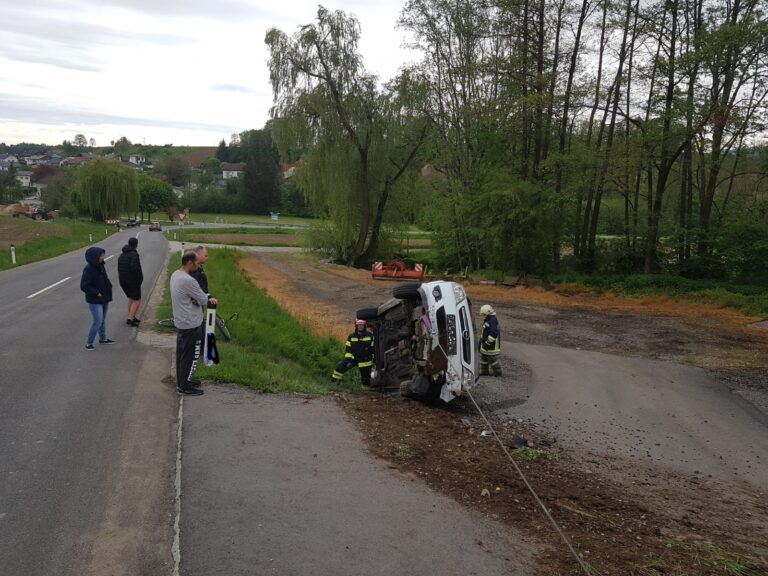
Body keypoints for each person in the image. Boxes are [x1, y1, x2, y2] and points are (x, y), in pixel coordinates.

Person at [170, 252, 218, 396]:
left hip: (181, 320)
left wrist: (195, 298)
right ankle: (184, 387)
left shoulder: (175, 275)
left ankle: (183, 381)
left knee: (181, 354)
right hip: (191, 322)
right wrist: (210, 299)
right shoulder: (188, 280)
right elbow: (203, 299)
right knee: (190, 356)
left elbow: (190, 296)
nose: (199, 266)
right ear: (190, 263)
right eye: (197, 263)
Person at [80, 246, 114, 350]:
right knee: (98, 321)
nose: (103, 257)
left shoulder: (101, 266)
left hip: (104, 297)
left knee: (102, 320)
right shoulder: (88, 269)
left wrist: (109, 286)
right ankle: (89, 343)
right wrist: (96, 293)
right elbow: (84, 285)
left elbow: (105, 278)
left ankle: (103, 339)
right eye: (101, 256)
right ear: (94, 257)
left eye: (103, 255)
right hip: (95, 300)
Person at [331, 319, 375, 386]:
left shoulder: (370, 335)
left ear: (365, 326)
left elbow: (373, 349)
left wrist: (374, 360)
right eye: (359, 325)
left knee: (366, 381)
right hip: (353, 359)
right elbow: (348, 349)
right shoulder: (351, 336)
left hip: (365, 361)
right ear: (356, 326)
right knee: (339, 367)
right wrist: (348, 361)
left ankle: (367, 389)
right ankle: (334, 383)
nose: (360, 326)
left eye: (362, 325)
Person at [117, 236, 143, 326]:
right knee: (137, 299)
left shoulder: (122, 255)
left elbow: (119, 268)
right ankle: (130, 319)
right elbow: (135, 268)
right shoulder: (134, 254)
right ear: (136, 245)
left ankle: (132, 315)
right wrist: (140, 279)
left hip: (123, 281)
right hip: (132, 281)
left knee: (131, 298)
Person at [479, 304, 502, 376]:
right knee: (484, 359)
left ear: (488, 313)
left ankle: (498, 373)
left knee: (492, 359)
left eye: (484, 314)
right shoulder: (489, 319)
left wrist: (487, 342)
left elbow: (494, 334)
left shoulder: (492, 321)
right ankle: (484, 372)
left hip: (491, 346)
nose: (484, 316)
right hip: (486, 344)